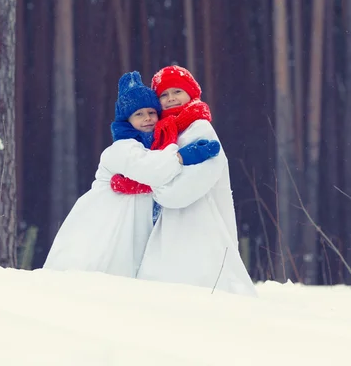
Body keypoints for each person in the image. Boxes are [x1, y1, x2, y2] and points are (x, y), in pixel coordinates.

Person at [43, 71, 220, 277]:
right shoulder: (121, 149)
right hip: (107, 223)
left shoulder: (153, 148)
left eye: (151, 112)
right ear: (126, 120)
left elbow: (153, 173)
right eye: (138, 114)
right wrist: (181, 157)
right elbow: (154, 172)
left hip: (133, 226)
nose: (147, 119)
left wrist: (137, 184)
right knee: (94, 268)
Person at [111, 65, 257, 297]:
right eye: (164, 95)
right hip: (171, 224)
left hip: (200, 221)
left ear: (191, 93)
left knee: (200, 287)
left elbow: (192, 183)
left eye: (177, 91)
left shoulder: (199, 128)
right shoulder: (167, 132)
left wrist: (156, 189)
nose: (171, 99)